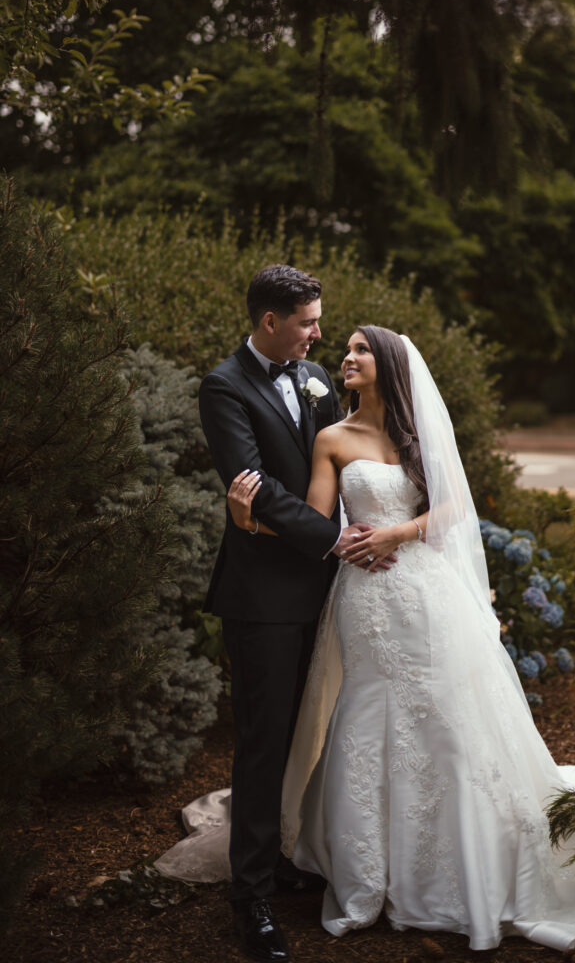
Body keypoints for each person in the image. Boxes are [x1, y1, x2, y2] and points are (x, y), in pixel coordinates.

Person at [157, 326, 575, 954]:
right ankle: (370, 869)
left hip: (426, 591)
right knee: (364, 713)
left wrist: (399, 533)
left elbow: (453, 508)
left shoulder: (418, 437)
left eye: (359, 349)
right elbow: (316, 517)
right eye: (343, 347)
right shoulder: (331, 435)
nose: (343, 356)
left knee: (447, 717)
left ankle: (465, 855)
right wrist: (250, 520)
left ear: (387, 365)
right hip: (364, 599)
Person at [185, 265, 381, 963]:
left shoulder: (314, 377)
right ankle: (252, 895)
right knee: (265, 741)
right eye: (306, 322)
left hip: (333, 589)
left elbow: (346, 455)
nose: (319, 334)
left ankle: (295, 856)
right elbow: (254, 486)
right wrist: (333, 538)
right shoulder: (223, 387)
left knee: (320, 729)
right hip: (264, 596)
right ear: (270, 321)